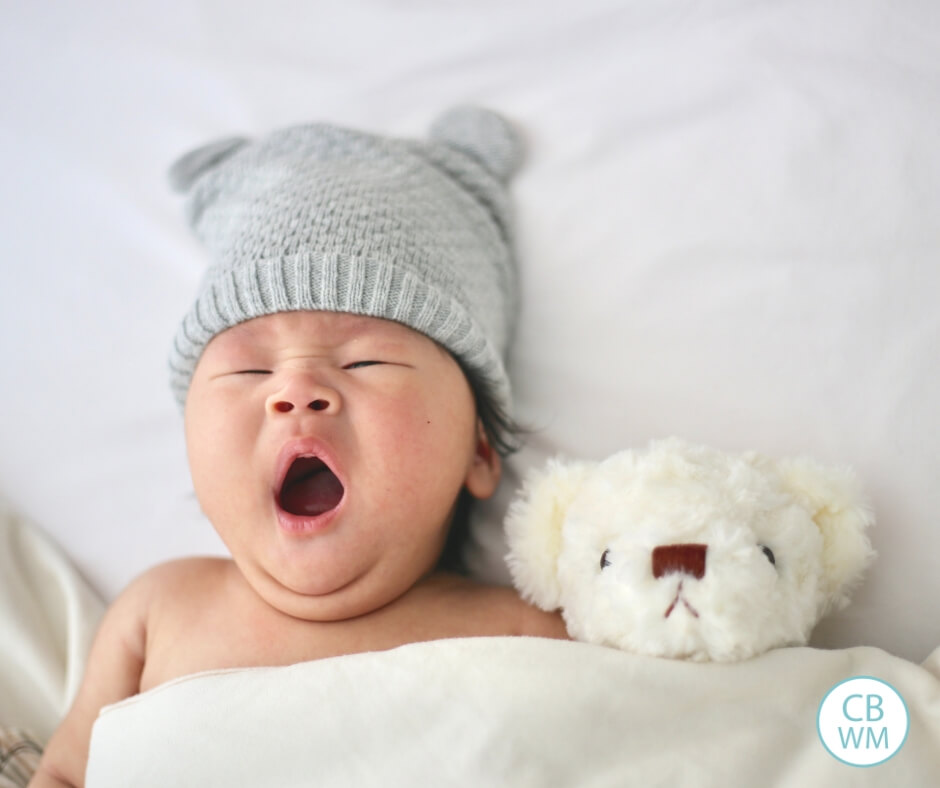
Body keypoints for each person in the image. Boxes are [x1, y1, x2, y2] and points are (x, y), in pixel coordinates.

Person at [30, 107, 567, 787]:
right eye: (249, 370)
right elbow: (66, 774)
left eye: (365, 364)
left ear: (479, 453)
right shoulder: (157, 613)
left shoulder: (523, 635)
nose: (296, 389)